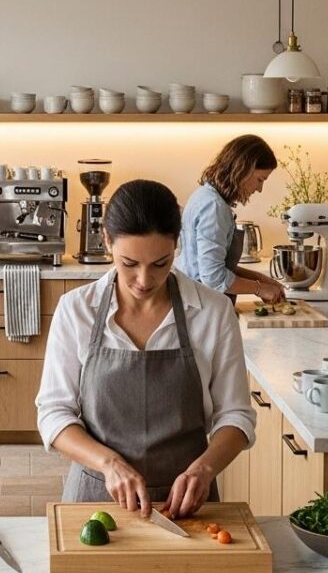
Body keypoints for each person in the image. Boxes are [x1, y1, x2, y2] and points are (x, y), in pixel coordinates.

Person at [36, 180, 256, 518]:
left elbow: (236, 415)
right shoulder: (76, 309)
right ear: (107, 241)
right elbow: (53, 413)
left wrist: (205, 469)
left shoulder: (212, 311)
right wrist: (109, 464)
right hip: (96, 499)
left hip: (187, 504)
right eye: (129, 263)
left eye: (160, 263)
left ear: (176, 246)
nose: (143, 280)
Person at [177, 134, 286, 303]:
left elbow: (213, 265)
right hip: (202, 306)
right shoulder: (214, 208)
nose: (259, 189)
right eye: (260, 180)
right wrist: (259, 289)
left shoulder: (206, 196)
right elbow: (213, 277)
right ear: (243, 170)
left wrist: (259, 278)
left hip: (196, 300)